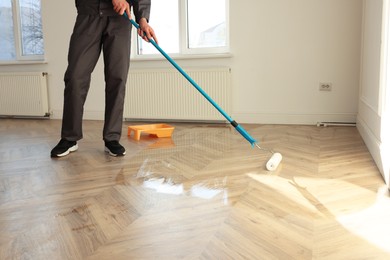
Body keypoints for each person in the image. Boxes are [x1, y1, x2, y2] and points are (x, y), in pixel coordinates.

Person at [51, 0, 158, 158]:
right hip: (89, 15)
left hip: (120, 20)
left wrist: (142, 19)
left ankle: (112, 137)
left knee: (117, 78)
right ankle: (69, 138)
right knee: (75, 76)